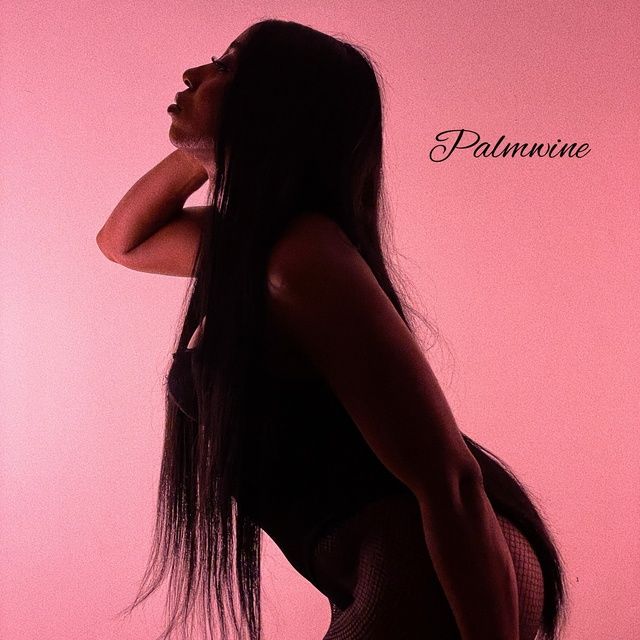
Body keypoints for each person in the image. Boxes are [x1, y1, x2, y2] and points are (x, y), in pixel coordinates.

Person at [96, 19, 568, 640]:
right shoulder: (256, 246)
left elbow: (449, 478)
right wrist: (214, 146)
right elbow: (124, 242)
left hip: (421, 562)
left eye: (226, 67)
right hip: (398, 560)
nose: (193, 74)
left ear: (272, 108)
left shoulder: (302, 258)